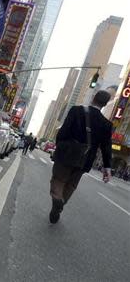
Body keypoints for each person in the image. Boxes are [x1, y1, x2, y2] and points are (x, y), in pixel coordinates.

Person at [49, 90, 112, 224]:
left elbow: (63, 131)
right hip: (85, 160)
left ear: (93, 98)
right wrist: (107, 167)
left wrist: (59, 146)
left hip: (66, 154)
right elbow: (106, 147)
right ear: (105, 104)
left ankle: (57, 199)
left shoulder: (76, 110)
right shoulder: (106, 124)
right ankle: (60, 205)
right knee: (71, 184)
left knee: (58, 179)